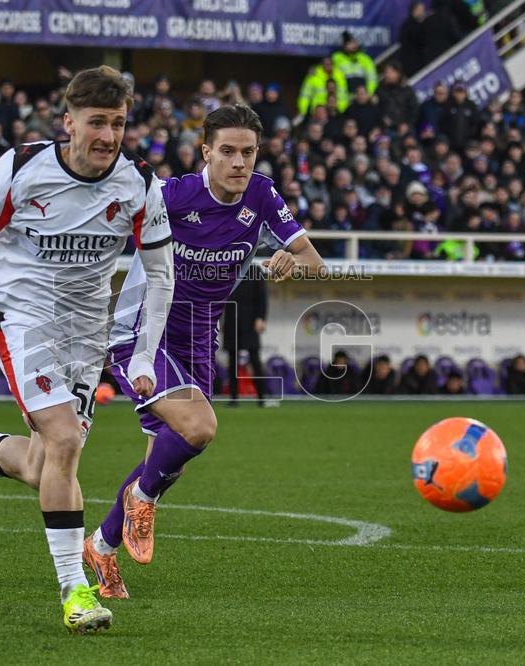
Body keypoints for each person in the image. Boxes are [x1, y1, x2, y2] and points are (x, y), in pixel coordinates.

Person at [0, 66, 174, 634]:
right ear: (68, 123)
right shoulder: (20, 166)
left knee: (43, 464)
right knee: (62, 443)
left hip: (86, 335)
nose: (108, 136)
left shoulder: (139, 183)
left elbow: (160, 276)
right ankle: (74, 592)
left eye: (119, 124)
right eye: (97, 122)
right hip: (24, 322)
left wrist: (145, 355)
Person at [85, 104, 324, 599]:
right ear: (207, 152)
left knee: (166, 460)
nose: (240, 162)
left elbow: (314, 262)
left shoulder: (260, 194)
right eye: (229, 152)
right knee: (199, 428)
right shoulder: (172, 195)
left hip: (198, 336)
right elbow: (107, 226)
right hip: (142, 331)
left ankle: (102, 547)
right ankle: (138, 501)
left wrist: (289, 260)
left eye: (249, 153)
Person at [222, 263, 269, 405]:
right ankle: (233, 398)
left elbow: (262, 297)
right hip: (231, 320)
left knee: (255, 360)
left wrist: (261, 317)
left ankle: (261, 398)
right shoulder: (229, 268)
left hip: (250, 321)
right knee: (232, 362)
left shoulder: (255, 270)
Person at [331, 31, 378, 97]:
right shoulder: (336, 58)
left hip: (362, 96)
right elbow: (330, 75)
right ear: (344, 45)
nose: (353, 45)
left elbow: (372, 78)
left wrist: (369, 93)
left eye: (354, 42)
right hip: (343, 96)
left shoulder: (365, 58)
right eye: (349, 43)